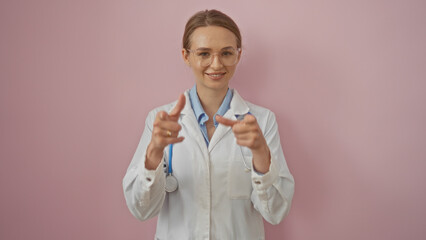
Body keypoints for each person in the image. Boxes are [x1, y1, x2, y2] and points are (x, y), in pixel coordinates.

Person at [123, 9, 295, 240]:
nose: (216, 64)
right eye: (204, 53)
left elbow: (275, 212)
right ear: (186, 56)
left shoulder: (262, 121)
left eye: (226, 53)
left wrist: (261, 156)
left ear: (238, 55)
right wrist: (153, 154)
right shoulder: (160, 119)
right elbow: (141, 210)